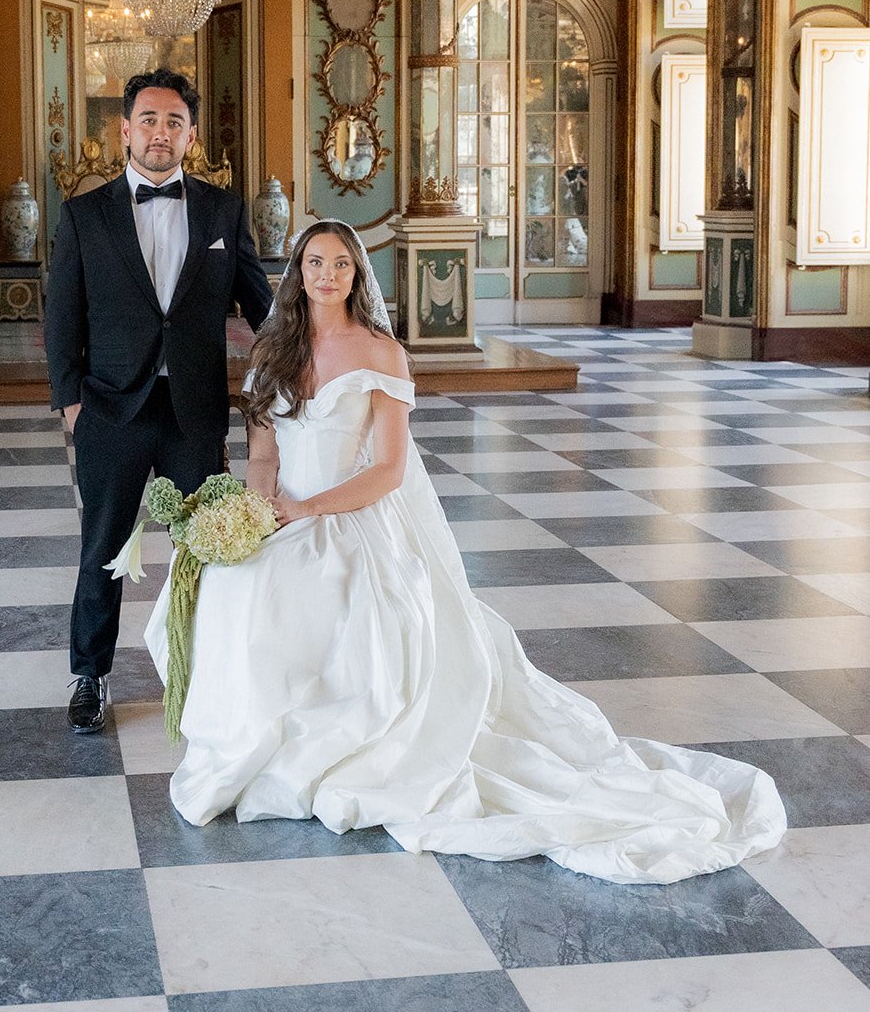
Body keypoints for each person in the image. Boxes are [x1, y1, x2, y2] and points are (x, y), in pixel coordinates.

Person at [144, 219, 787, 882]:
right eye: (314, 262)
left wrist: (306, 509)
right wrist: (258, 512)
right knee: (230, 588)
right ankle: (253, 746)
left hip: (350, 515)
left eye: (340, 263)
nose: (326, 274)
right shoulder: (273, 350)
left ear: (357, 275)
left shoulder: (379, 354)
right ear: (297, 272)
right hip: (284, 515)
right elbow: (264, 453)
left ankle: (327, 754)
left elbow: (388, 471)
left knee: (326, 605)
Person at [45, 68, 273, 734]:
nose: (159, 133)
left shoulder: (222, 211)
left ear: (190, 136)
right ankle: (90, 676)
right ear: (124, 130)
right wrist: (70, 404)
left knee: (208, 544)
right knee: (103, 547)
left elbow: (261, 302)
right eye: (148, 120)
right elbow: (63, 317)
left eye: (173, 122)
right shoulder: (84, 215)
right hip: (110, 408)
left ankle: (210, 671)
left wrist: (322, 347)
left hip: (194, 409)